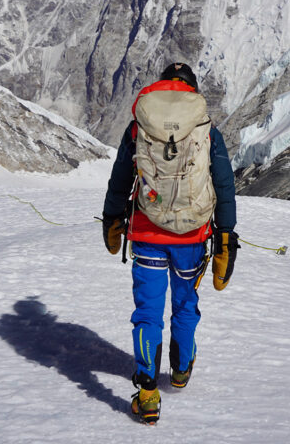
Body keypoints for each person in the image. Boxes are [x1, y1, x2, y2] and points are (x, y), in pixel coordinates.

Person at [101, 62, 238, 425]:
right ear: (192, 90)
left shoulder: (139, 126)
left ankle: (147, 395)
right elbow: (224, 184)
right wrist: (226, 234)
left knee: (147, 313)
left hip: (147, 234)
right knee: (185, 305)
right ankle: (180, 370)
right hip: (191, 236)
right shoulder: (206, 129)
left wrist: (112, 216)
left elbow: (121, 176)